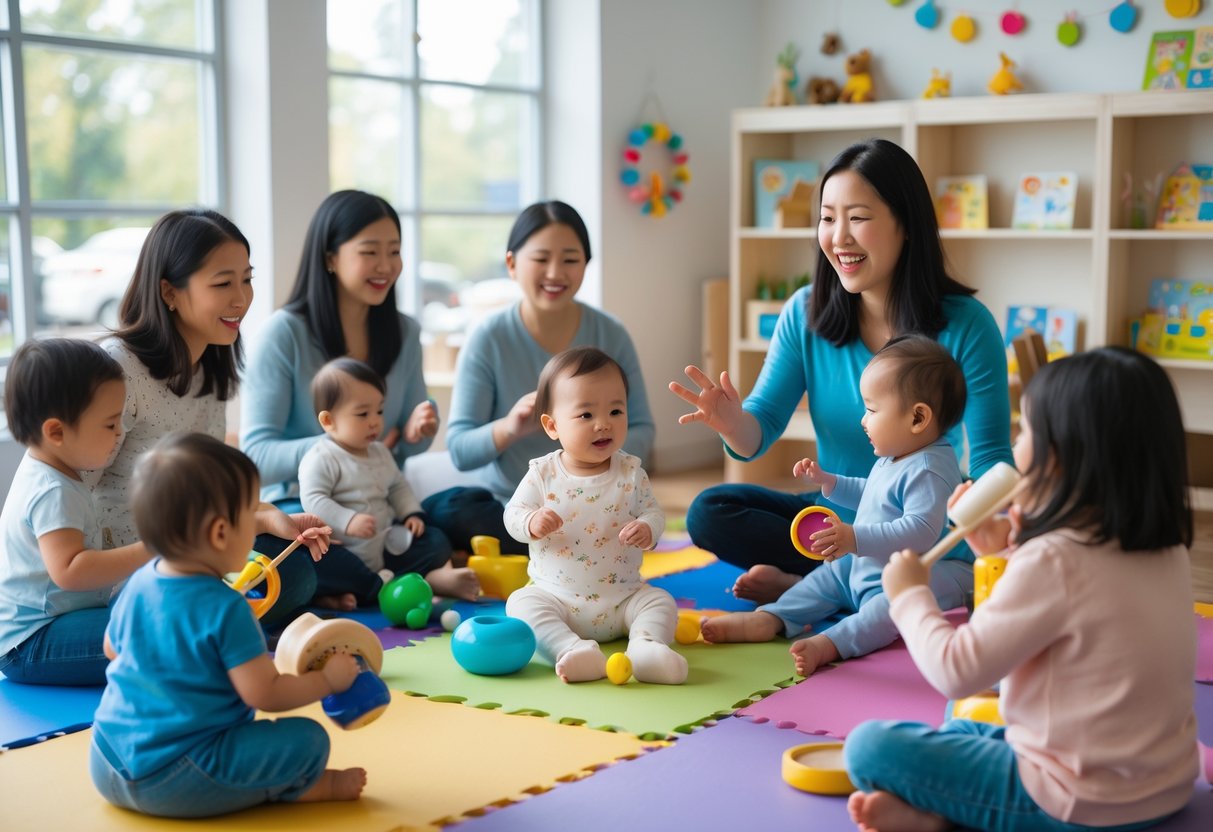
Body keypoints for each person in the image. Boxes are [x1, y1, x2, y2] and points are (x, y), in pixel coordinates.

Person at [845, 347, 1197, 832]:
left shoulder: (1054, 558)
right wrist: (996, 555)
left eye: (1027, 429)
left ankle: (948, 819)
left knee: (870, 747)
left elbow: (957, 670)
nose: (1017, 441)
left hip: (1078, 802)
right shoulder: (1167, 549)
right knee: (969, 722)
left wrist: (908, 596)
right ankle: (941, 815)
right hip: (1165, 787)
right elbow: (1058, 622)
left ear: (1063, 455)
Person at [670, 138, 1012, 605]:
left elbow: (992, 456)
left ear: (906, 225)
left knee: (961, 551)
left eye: (859, 218)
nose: (839, 237)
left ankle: (814, 589)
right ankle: (843, 587)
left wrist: (975, 528)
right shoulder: (804, 313)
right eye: (828, 218)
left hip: (918, 530)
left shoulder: (968, 325)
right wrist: (732, 424)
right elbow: (759, 432)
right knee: (709, 512)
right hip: (833, 522)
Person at [90, 433, 366, 818]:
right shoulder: (226, 608)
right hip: (174, 778)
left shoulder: (139, 581)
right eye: (250, 517)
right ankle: (306, 787)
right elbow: (265, 695)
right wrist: (329, 681)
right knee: (309, 739)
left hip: (105, 761)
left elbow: (111, 649)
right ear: (221, 532)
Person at [89, 209, 331, 630]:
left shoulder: (209, 369)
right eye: (222, 283)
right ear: (169, 292)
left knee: (296, 565)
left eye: (247, 279)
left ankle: (219, 625)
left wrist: (266, 514)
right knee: (277, 585)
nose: (241, 298)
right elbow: (74, 492)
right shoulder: (117, 370)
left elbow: (204, 494)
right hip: (127, 574)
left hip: (190, 555)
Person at [700, 335, 971, 677]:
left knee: (888, 608)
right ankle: (774, 617)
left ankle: (831, 643)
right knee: (828, 577)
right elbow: (873, 495)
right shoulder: (898, 455)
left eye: (872, 410)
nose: (863, 420)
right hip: (871, 564)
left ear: (917, 418)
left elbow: (920, 532)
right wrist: (831, 482)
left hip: (926, 571)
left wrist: (854, 538)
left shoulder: (930, 468)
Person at [241, 190, 436, 610]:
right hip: (301, 508)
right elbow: (255, 454)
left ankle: (360, 587)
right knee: (291, 564)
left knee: (439, 527)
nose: (386, 266)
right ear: (330, 257)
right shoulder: (284, 334)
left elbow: (401, 446)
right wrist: (340, 449)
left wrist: (421, 431)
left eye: (395, 251)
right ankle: (402, 585)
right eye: (370, 252)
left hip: (375, 508)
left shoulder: (405, 333)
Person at [437, 201, 655, 556]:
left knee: (638, 518)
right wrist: (510, 428)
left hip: (601, 506)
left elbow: (644, 427)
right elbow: (460, 450)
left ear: (586, 265)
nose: (555, 272)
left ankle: (555, 553)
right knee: (452, 508)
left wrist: (596, 457)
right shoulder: (488, 338)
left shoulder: (610, 333)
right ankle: (561, 550)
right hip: (513, 505)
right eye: (541, 259)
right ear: (512, 264)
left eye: (570, 260)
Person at [504, 347, 685, 685]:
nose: (604, 424)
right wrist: (529, 522)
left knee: (659, 601)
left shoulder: (631, 472)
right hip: (556, 599)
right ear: (552, 425)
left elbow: (652, 512)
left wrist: (648, 527)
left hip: (623, 599)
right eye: (586, 415)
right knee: (521, 604)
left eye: (616, 410)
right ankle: (571, 650)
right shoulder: (542, 474)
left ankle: (645, 647)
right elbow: (512, 514)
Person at [0, 339, 150, 686]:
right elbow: (70, 570)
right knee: (149, 631)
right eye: (110, 424)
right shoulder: (52, 491)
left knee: (152, 607)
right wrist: (152, 548)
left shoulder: (55, 469)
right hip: (31, 643)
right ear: (56, 431)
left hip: (59, 622)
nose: (120, 432)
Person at [299, 358, 479, 600]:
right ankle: (391, 588)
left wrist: (411, 514)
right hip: (345, 547)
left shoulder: (380, 452)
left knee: (434, 540)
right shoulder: (321, 457)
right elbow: (313, 499)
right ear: (328, 421)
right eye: (363, 413)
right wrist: (348, 520)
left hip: (383, 544)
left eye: (380, 410)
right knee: (316, 562)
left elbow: (397, 486)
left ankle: (377, 588)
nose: (375, 421)